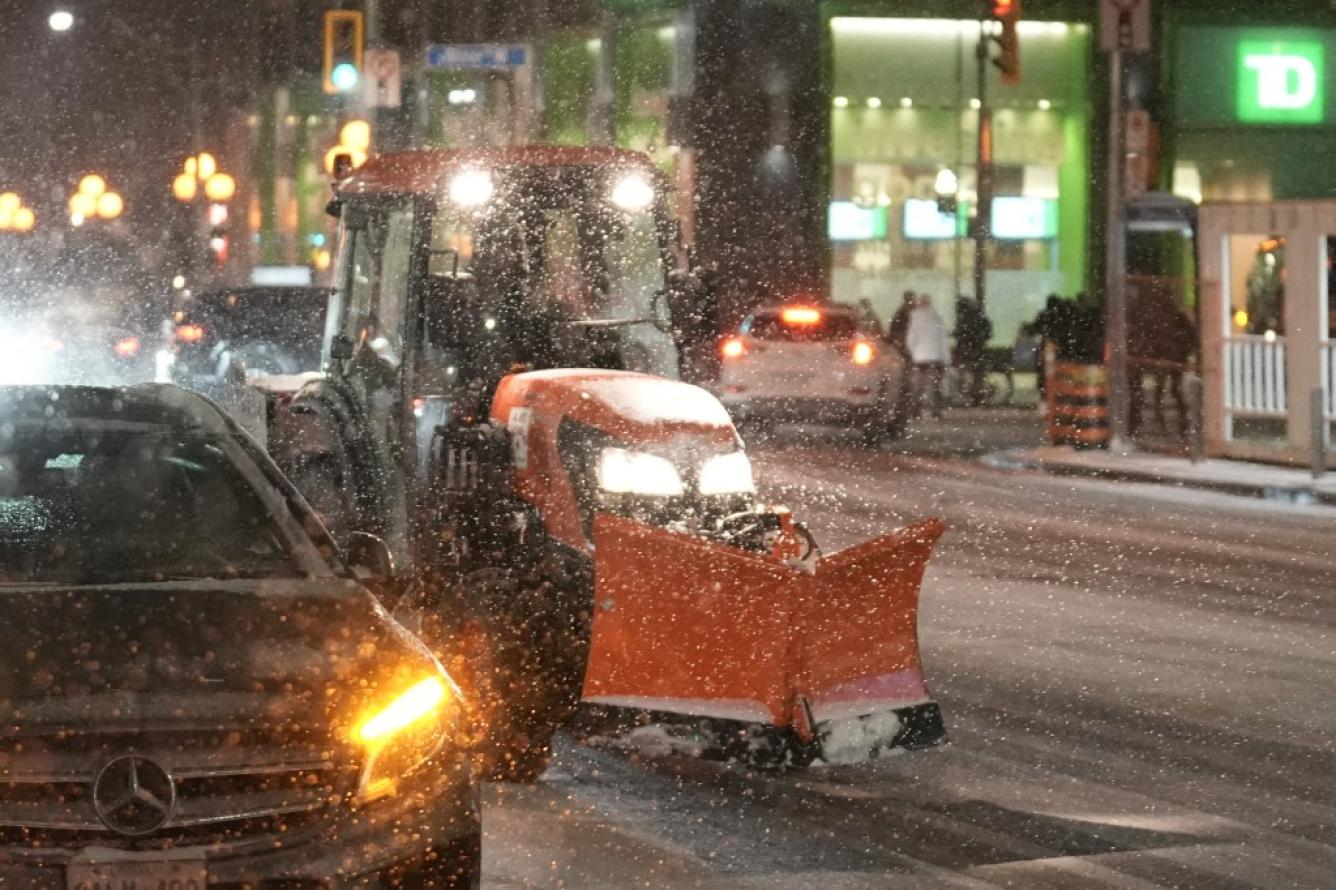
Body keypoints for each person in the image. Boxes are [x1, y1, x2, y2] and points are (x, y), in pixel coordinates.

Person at [906, 294, 950, 419]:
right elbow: (943, 340)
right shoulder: (937, 317)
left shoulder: (915, 317)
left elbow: (911, 338)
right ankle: (936, 411)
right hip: (936, 357)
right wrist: (946, 357)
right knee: (935, 385)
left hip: (920, 357)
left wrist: (913, 352)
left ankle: (916, 410)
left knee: (919, 385)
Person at [952, 297, 993, 406]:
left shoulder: (963, 319)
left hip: (967, 353)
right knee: (979, 377)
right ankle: (978, 398)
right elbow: (988, 334)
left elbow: (959, 334)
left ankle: (969, 397)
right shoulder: (982, 318)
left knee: (966, 376)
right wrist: (979, 339)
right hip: (980, 351)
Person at [886, 289, 915, 354]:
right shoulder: (901, 312)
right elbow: (896, 327)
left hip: (908, 341)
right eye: (909, 299)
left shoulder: (912, 311)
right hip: (904, 342)